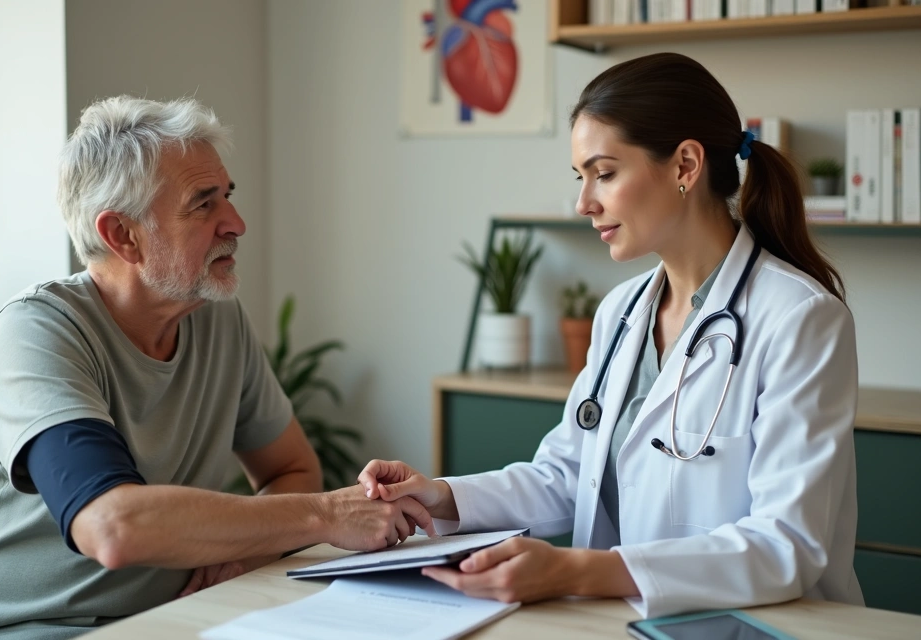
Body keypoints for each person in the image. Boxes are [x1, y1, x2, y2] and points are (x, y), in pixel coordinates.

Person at [358, 52, 864, 619]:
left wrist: (574, 571)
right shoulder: (621, 312)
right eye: (581, 178)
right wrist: (439, 494)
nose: (584, 203)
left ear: (685, 165)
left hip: (762, 625)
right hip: (628, 620)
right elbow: (569, 475)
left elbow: (786, 545)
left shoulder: (800, 318)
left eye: (604, 173)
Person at [0, 96, 434, 640]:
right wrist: (326, 515)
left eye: (227, 196)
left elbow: (290, 468)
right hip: (16, 630)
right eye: (203, 205)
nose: (236, 223)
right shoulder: (37, 330)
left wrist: (242, 554)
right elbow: (110, 525)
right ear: (123, 235)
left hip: (174, 621)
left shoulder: (218, 318)